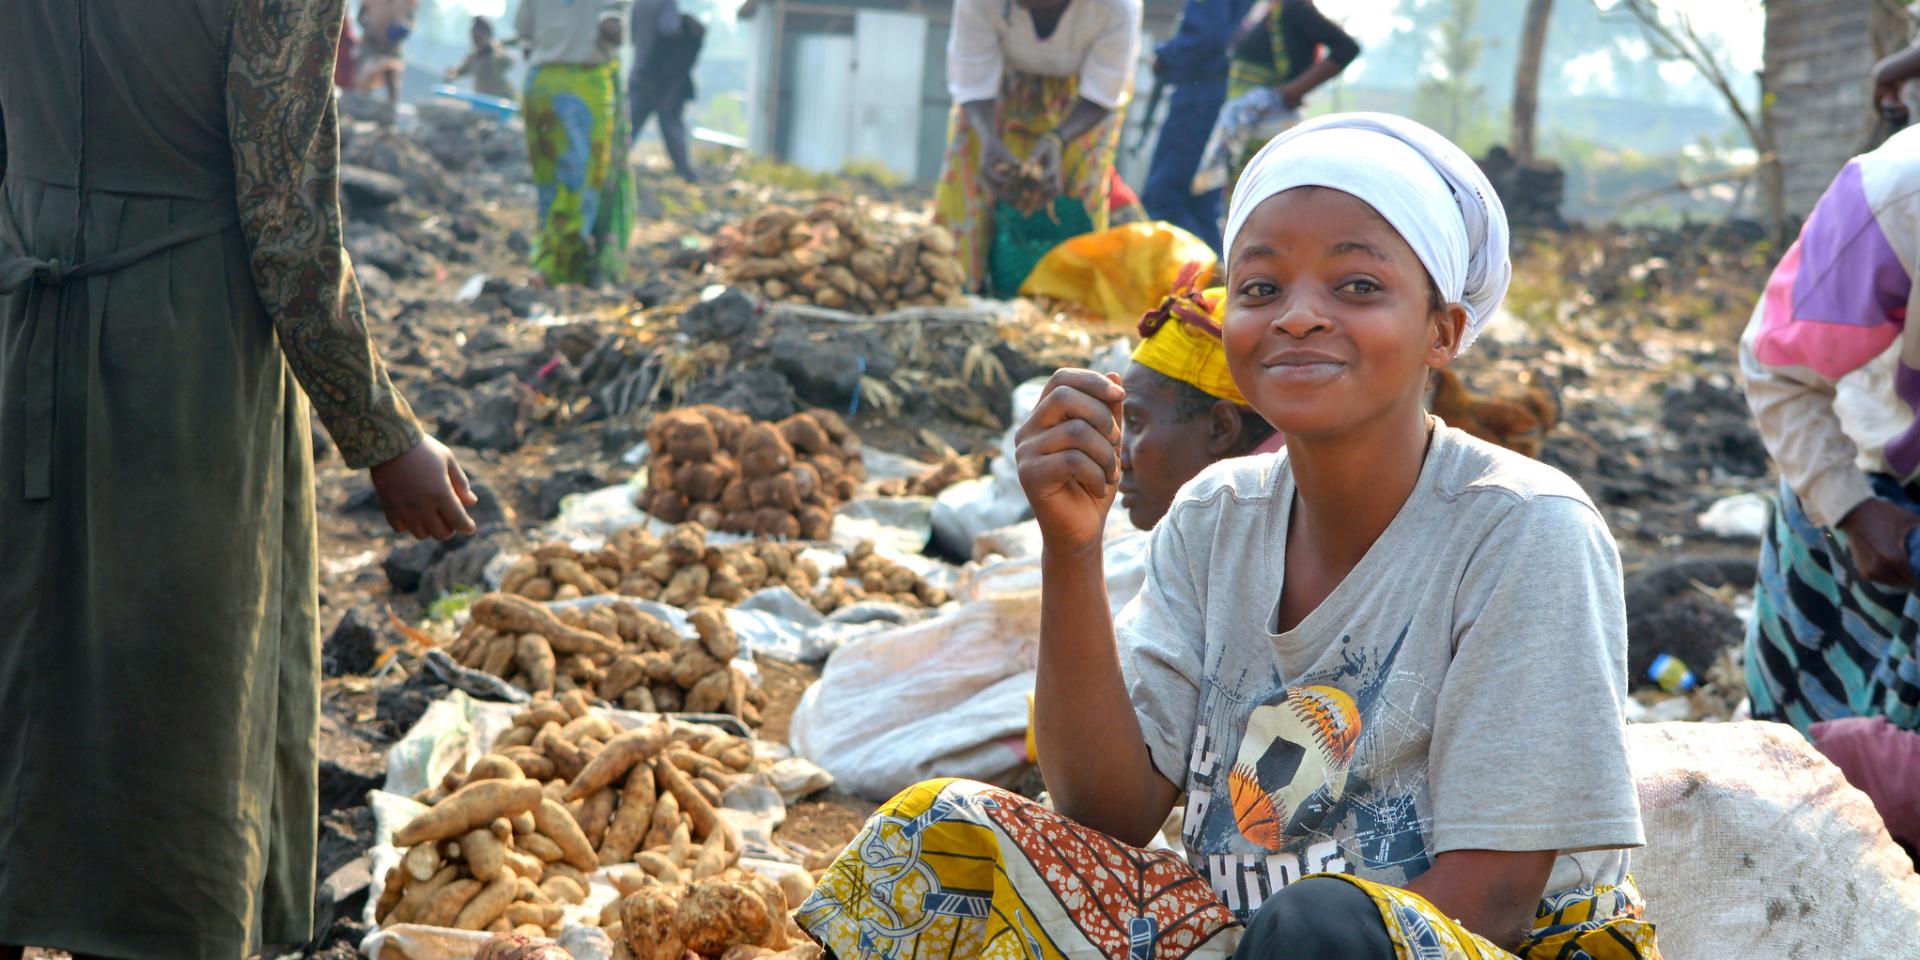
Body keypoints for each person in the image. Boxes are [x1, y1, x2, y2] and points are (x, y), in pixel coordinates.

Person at [797, 113, 1659, 959]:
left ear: (1444, 329)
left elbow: (1497, 895)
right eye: (1261, 288)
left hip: (1469, 945)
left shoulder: (1522, 530)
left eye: (1357, 286)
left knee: (1320, 924)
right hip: (1255, 940)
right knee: (940, 830)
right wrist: (1072, 547)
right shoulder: (1216, 515)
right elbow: (1107, 811)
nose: (1297, 316)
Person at [0, 2, 475, 957]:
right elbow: (289, 220)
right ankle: (160, 921)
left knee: (21, 648)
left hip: (22, 312)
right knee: (179, 684)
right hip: (188, 357)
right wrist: (382, 435)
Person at [1739, 125, 1920, 736]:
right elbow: (1778, 368)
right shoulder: (1897, 197)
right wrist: (1852, 509)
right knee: (1799, 764)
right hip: (1880, 505)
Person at [939, 0, 1141, 290]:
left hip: (1081, 105)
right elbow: (972, 81)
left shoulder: (1118, 7)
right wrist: (988, 140)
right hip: (998, 89)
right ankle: (958, 286)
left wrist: (1057, 140)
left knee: (1078, 185)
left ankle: (1067, 297)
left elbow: (1103, 91)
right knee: (971, 174)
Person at [516, 0, 637, 286]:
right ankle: (559, 265)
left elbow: (525, 39)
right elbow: (614, 33)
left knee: (554, 183)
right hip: (583, 87)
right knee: (579, 181)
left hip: (541, 85)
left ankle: (558, 260)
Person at [1192, 0, 1358, 196]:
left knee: (1263, 190)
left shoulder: (1293, 8)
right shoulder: (1261, 9)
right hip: (1246, 123)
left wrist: (1294, 90)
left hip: (1269, 122)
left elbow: (1346, 48)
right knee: (1241, 189)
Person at [1139, 0, 1254, 251]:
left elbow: (1207, 36)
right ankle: (1216, 278)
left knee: (1164, 197)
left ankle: (1201, 276)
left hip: (1199, 95)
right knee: (1200, 202)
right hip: (1216, 93)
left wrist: (1167, 56)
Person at [629, 0, 702, 183]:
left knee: (629, 125)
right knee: (671, 124)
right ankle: (684, 172)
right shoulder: (665, 3)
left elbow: (632, 37)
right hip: (662, 81)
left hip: (640, 74)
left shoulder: (638, 4)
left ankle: (611, 165)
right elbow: (670, 30)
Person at [356, 0, 420, 122]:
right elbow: (360, 18)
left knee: (392, 79)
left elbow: (411, 21)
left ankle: (390, 115)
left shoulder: (407, 3)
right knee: (364, 75)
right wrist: (370, 29)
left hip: (392, 45)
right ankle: (360, 112)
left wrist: (402, 30)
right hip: (371, 43)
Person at [447, 16, 517, 102]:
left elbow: (511, 61)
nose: (476, 42)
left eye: (479, 38)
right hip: (479, 102)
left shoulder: (496, 56)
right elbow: (459, 70)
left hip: (497, 103)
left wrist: (497, 47)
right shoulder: (473, 57)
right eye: (475, 39)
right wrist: (452, 72)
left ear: (488, 35)